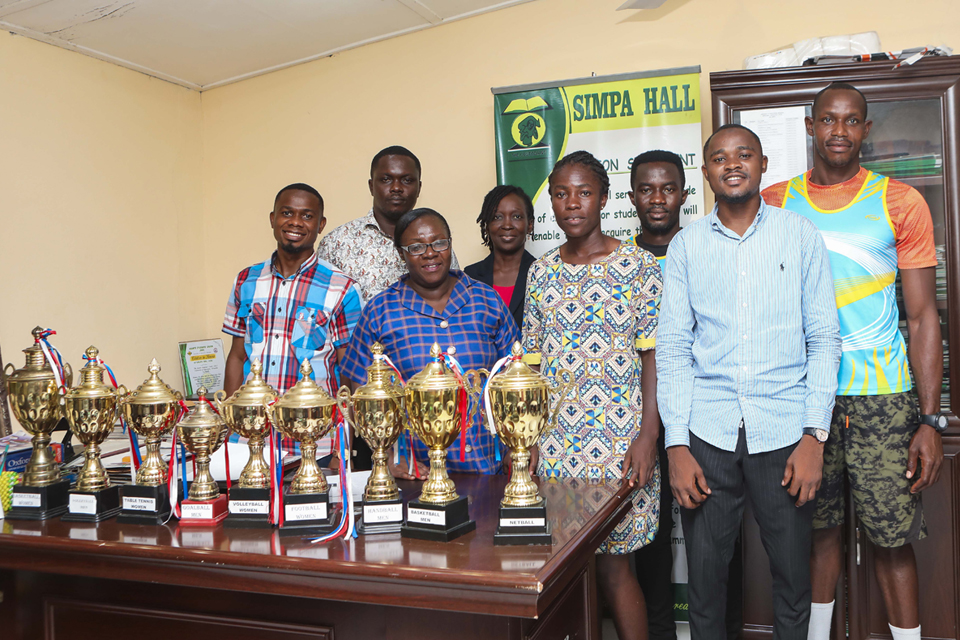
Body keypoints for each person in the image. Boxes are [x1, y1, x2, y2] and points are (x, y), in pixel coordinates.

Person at [762, 83, 945, 640]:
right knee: (816, 534)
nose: (838, 131)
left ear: (866, 130)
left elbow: (922, 318)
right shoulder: (774, 202)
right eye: (827, 120)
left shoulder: (900, 201)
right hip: (801, 399)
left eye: (851, 121)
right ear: (810, 128)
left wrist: (930, 419)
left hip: (882, 398)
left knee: (890, 540)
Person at [657, 124, 841, 640]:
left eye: (743, 155)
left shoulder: (798, 234)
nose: (731, 164)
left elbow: (824, 338)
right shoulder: (687, 246)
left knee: (791, 578)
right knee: (706, 584)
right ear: (706, 171)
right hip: (707, 435)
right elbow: (672, 348)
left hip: (785, 433)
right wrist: (676, 445)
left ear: (763, 164)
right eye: (719, 157)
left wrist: (814, 437)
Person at [523, 150, 662, 640]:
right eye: (561, 194)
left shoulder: (639, 266)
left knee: (615, 570)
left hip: (622, 441)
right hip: (558, 445)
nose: (572, 203)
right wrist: (530, 439)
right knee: (565, 572)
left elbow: (654, 359)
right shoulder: (540, 273)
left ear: (603, 199)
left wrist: (649, 434)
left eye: (583, 192)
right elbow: (532, 366)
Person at [341, 208, 519, 478]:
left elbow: (516, 377)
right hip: (417, 476)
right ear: (400, 253)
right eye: (416, 247)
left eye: (439, 243)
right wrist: (387, 457)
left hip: (489, 469)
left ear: (450, 244)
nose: (430, 253)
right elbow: (359, 390)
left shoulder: (487, 300)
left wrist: (519, 446)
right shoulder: (380, 311)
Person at [222, 183, 363, 458]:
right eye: (287, 213)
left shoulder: (342, 288)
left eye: (307, 216)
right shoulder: (246, 280)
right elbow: (237, 357)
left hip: (316, 439)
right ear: (273, 218)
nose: (295, 222)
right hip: (251, 437)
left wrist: (341, 446)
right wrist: (230, 429)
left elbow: (349, 370)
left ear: (321, 224)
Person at [627, 150, 687, 640]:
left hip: (700, 416)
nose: (658, 198)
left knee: (712, 539)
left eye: (668, 188)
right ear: (631, 198)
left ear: (685, 194)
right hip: (644, 421)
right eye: (647, 189)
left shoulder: (705, 247)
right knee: (649, 541)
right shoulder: (622, 261)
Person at [316, 145, 459, 305]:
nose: (396, 188)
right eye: (386, 180)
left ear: (419, 188)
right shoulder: (335, 244)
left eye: (407, 180)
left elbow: (456, 299)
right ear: (371, 186)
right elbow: (319, 307)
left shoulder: (436, 245)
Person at [464, 185, 537, 331]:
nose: (507, 225)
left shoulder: (543, 274)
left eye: (516, 216)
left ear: (530, 224)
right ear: (487, 225)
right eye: (497, 217)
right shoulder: (470, 277)